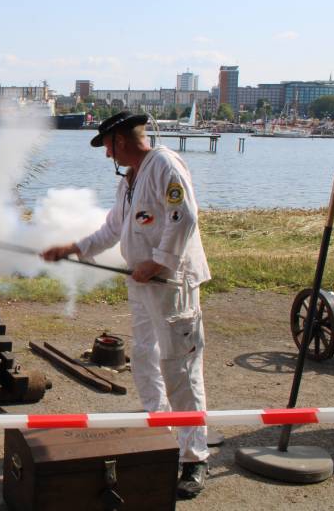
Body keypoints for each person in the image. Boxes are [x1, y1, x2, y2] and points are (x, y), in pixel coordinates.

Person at [42, 112, 211, 500]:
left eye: (106, 145)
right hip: (143, 283)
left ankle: (194, 456)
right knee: (145, 356)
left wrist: (160, 261)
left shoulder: (164, 164)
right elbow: (114, 229)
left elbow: (184, 217)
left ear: (119, 140)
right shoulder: (129, 180)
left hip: (171, 283)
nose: (106, 155)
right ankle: (159, 428)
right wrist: (74, 248)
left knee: (179, 366)